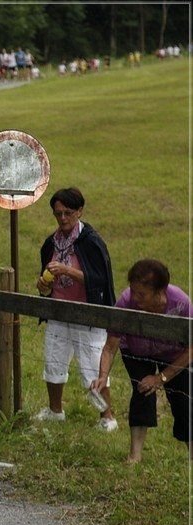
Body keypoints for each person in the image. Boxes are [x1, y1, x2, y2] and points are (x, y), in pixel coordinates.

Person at [35, 187, 118, 431]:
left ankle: (107, 417)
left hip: (87, 314)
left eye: (67, 213)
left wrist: (67, 270)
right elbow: (45, 279)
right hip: (59, 311)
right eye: (58, 213)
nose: (62, 218)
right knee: (53, 360)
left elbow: (100, 280)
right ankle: (55, 411)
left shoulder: (91, 241)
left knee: (93, 364)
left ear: (79, 211)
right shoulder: (51, 243)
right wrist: (43, 286)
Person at [93, 260, 192, 463]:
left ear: (159, 291)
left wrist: (162, 377)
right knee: (142, 390)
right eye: (133, 291)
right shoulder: (125, 302)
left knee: (184, 400)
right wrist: (102, 376)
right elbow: (110, 347)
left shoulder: (181, 303)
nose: (134, 297)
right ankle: (134, 455)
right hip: (136, 350)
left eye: (141, 294)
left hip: (174, 354)